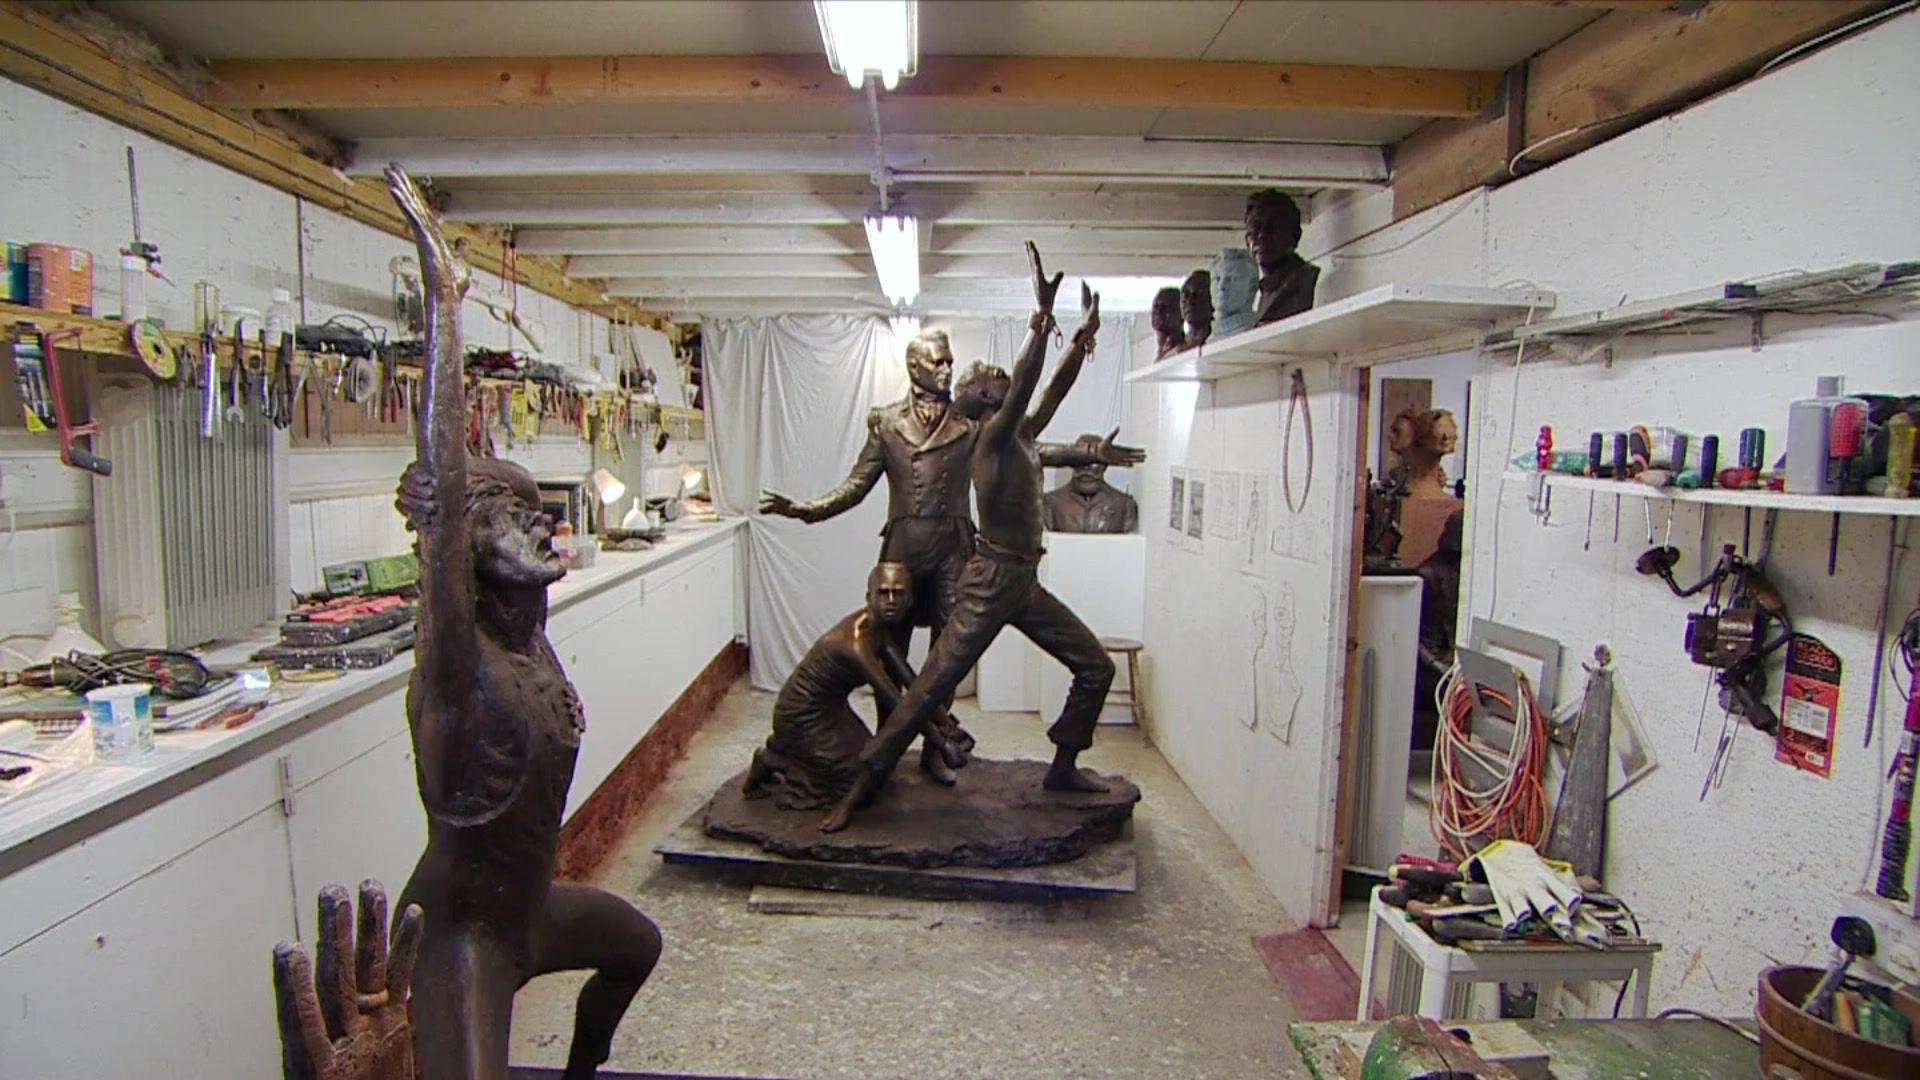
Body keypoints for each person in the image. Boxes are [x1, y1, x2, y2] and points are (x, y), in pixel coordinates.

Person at [386, 165, 659, 1080]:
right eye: (513, 516)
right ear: (463, 542)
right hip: (462, 937)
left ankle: (582, 1069)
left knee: (636, 945)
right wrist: (446, 303)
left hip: (532, 908)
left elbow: (503, 549)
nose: (543, 525)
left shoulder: (528, 640)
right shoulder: (457, 667)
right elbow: (445, 500)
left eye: (542, 511)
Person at [825, 246, 1116, 832]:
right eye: (1001, 387)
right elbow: (1032, 381)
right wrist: (1040, 322)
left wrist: (1082, 343)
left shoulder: (1023, 436)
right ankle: (858, 789)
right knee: (924, 694)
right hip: (988, 582)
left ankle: (1063, 763)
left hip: (1023, 582)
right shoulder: (992, 440)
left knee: (1096, 667)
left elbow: (1049, 390)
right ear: (989, 402)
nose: (1010, 389)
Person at [742, 563, 966, 808]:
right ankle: (776, 760)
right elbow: (900, 705)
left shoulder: (878, 628)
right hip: (801, 715)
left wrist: (946, 722)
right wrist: (941, 743)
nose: (891, 600)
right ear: (869, 597)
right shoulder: (854, 645)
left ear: (910, 600)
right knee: (856, 783)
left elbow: (912, 683)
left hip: (832, 709)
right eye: (883, 592)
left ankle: (786, 752)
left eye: (898, 593)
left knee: (876, 772)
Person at [1244, 189, 1320, 325]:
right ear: (1247, 240)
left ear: (1295, 236)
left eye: (1272, 226)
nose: (1261, 235)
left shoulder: (1306, 282)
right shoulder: (1261, 294)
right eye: (1256, 227)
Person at [1041, 433, 1140, 533]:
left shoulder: (1125, 505)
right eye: (1081, 458)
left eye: (1094, 460)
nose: (1087, 467)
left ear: (1105, 465)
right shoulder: (1049, 503)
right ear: (1070, 461)